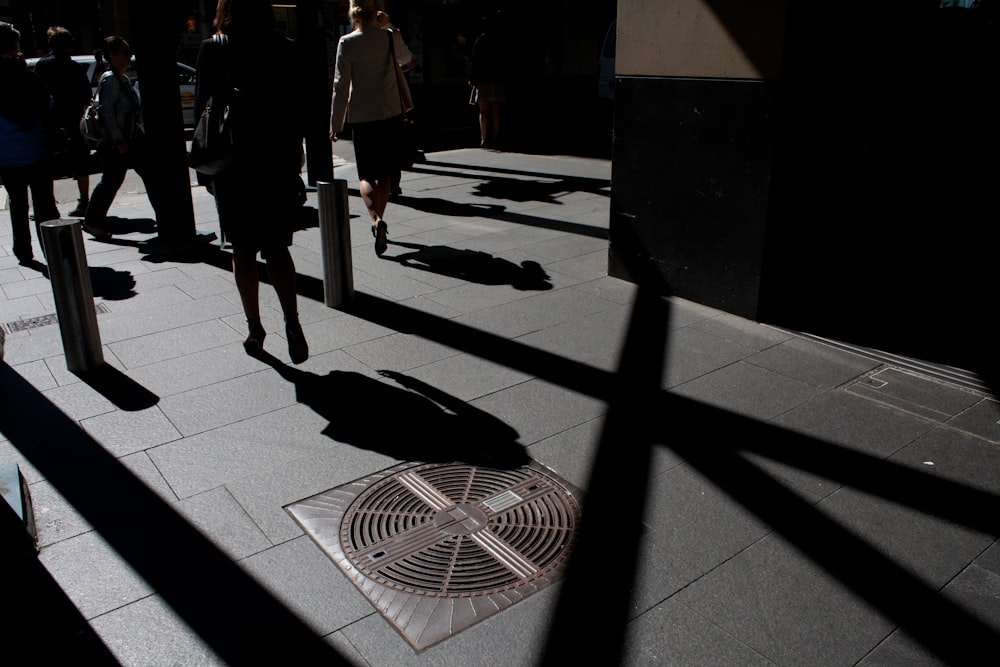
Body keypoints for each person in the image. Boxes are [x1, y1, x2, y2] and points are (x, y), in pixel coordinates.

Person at [196, 0, 309, 364]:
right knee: (277, 247)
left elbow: (204, 110)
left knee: (243, 250)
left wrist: (206, 172)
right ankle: (292, 321)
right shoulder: (286, 48)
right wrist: (294, 164)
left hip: (233, 164)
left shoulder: (215, 47)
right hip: (275, 161)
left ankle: (255, 327)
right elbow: (297, 112)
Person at [329, 0, 416, 257]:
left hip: (362, 117)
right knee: (386, 174)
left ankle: (376, 220)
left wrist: (335, 123)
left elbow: (340, 85)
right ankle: (381, 220)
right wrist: (389, 25)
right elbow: (407, 60)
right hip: (390, 113)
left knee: (366, 175)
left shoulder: (347, 42)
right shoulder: (389, 36)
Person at [82, 35, 163, 240]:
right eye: (125, 52)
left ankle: (165, 219)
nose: (130, 56)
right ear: (112, 55)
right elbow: (107, 112)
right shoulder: (111, 80)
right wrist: (119, 140)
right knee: (111, 181)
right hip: (118, 143)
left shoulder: (122, 79)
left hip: (130, 140)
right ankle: (92, 221)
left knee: (143, 177)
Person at [0, 22, 61, 264]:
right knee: (44, 202)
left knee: (17, 203)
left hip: (5, 154)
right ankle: (52, 250)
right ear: (14, 45)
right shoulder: (24, 74)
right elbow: (48, 104)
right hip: (35, 149)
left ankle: (22, 251)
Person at [33, 26, 93, 217]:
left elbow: (37, 96)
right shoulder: (74, 67)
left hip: (50, 123)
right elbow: (86, 95)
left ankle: (49, 205)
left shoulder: (42, 66)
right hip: (74, 121)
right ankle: (84, 201)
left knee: (47, 166)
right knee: (81, 164)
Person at [468, 12, 508, 149]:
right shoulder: (499, 41)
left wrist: (472, 78)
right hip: (497, 79)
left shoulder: (480, 41)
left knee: (483, 111)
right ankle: (497, 137)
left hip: (482, 79)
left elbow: (475, 61)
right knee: (496, 109)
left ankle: (484, 139)